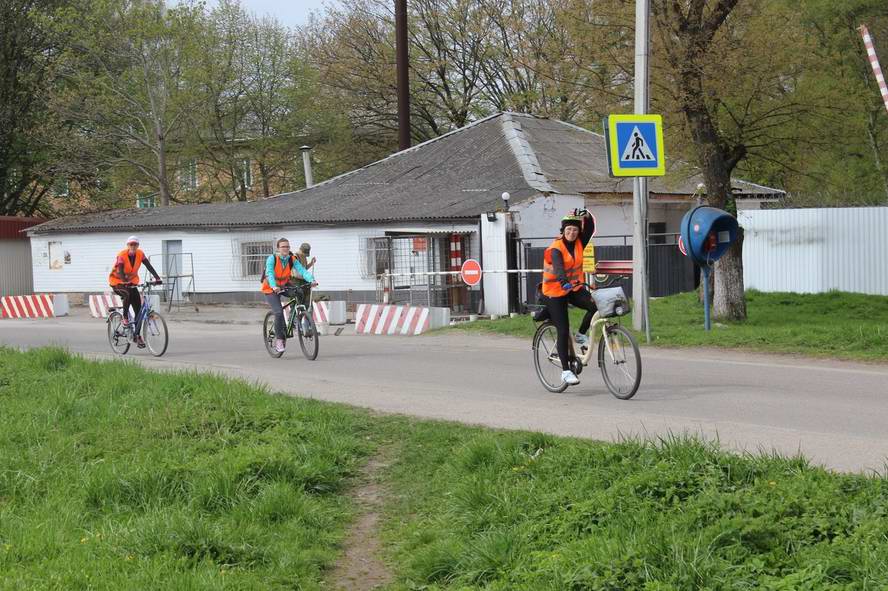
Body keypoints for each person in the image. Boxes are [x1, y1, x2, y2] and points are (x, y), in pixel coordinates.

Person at [542, 209, 597, 386]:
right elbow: (558, 267)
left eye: (574, 229)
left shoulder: (580, 241)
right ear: (563, 231)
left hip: (573, 288)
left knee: (595, 306)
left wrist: (586, 215)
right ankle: (566, 371)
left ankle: (581, 334)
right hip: (555, 291)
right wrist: (563, 281)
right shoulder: (555, 248)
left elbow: (590, 227)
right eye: (568, 230)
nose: (572, 233)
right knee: (563, 330)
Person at [261, 238, 316, 353]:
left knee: (299, 292)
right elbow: (270, 273)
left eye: (287, 246)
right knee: (279, 312)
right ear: (278, 248)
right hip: (270, 288)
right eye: (283, 247)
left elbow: (302, 271)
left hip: (284, 285)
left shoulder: (292, 259)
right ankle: (279, 340)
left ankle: (297, 317)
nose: (285, 248)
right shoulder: (272, 259)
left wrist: (311, 280)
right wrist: (274, 286)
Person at [108, 236, 162, 348]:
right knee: (127, 293)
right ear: (128, 245)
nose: (133, 246)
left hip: (131, 283)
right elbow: (120, 270)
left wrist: (157, 278)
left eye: (135, 244)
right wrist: (124, 281)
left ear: (138, 246)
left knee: (139, 311)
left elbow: (148, 266)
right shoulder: (121, 255)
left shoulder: (140, 254)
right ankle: (125, 318)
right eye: (131, 244)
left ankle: (137, 336)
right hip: (117, 282)